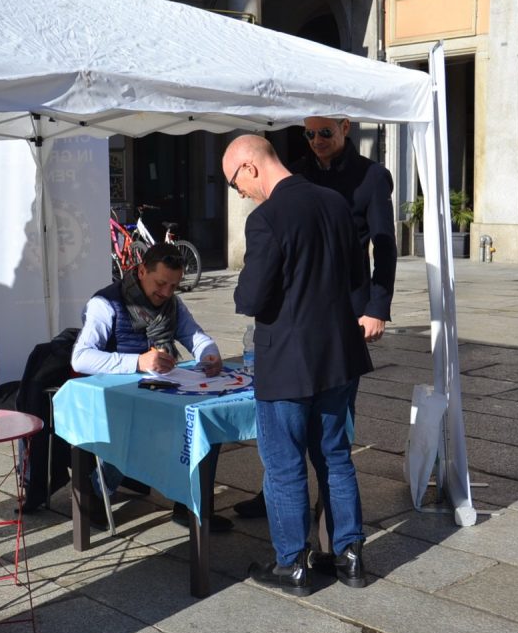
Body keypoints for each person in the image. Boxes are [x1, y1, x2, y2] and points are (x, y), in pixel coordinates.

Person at [234, 116, 396, 563]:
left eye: (235, 183)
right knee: (335, 453)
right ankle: (349, 555)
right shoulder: (326, 196)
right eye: (309, 134)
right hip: (338, 347)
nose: (240, 192)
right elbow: (353, 270)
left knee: (285, 464)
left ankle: (293, 563)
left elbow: (251, 297)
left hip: (291, 354)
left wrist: (376, 307)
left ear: (250, 168)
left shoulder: (268, 217)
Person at [71, 242, 229, 532]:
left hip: (157, 388)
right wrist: (138, 361)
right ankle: (95, 489)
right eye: (160, 283)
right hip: (117, 393)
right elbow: (80, 357)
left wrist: (209, 353)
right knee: (143, 423)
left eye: (174, 286)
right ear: (142, 270)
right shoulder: (105, 304)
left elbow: (195, 336)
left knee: (205, 421)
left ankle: (192, 505)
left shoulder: (172, 304)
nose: (167, 292)